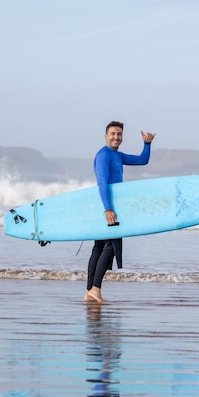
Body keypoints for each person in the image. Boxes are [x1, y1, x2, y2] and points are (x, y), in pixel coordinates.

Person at [84, 121, 155, 303]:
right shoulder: (103, 155)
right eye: (113, 133)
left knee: (99, 247)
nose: (116, 137)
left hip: (111, 206)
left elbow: (142, 160)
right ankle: (95, 290)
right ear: (105, 135)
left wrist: (147, 144)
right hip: (109, 207)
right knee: (110, 247)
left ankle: (90, 291)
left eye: (119, 134)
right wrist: (108, 209)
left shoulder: (118, 155)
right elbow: (102, 181)